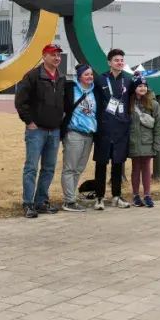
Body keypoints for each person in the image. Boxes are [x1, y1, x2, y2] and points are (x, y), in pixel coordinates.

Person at [14, 44, 65, 219]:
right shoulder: (32, 76)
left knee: (49, 169)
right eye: (53, 55)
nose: (57, 58)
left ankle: (41, 201)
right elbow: (21, 101)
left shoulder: (61, 77)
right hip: (37, 132)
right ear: (44, 56)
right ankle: (28, 203)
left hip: (54, 130)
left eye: (59, 55)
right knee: (31, 168)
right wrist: (29, 121)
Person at [93, 48, 133, 210]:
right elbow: (95, 104)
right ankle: (99, 198)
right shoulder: (101, 80)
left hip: (121, 129)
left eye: (122, 60)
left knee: (118, 164)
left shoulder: (128, 81)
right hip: (104, 129)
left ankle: (116, 196)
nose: (120, 63)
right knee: (101, 164)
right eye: (116, 60)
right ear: (109, 63)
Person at [60, 64, 97, 212]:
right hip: (74, 133)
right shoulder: (71, 89)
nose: (90, 77)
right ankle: (69, 201)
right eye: (86, 74)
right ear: (79, 76)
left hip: (89, 135)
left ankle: (72, 197)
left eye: (91, 74)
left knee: (79, 168)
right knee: (70, 168)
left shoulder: (95, 91)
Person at [128, 75, 160, 208]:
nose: (142, 88)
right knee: (135, 169)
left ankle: (148, 195)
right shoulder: (129, 103)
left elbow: (159, 125)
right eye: (139, 85)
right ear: (134, 87)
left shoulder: (153, 104)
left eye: (144, 85)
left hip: (147, 143)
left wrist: (157, 144)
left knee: (146, 168)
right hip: (133, 142)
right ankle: (136, 195)